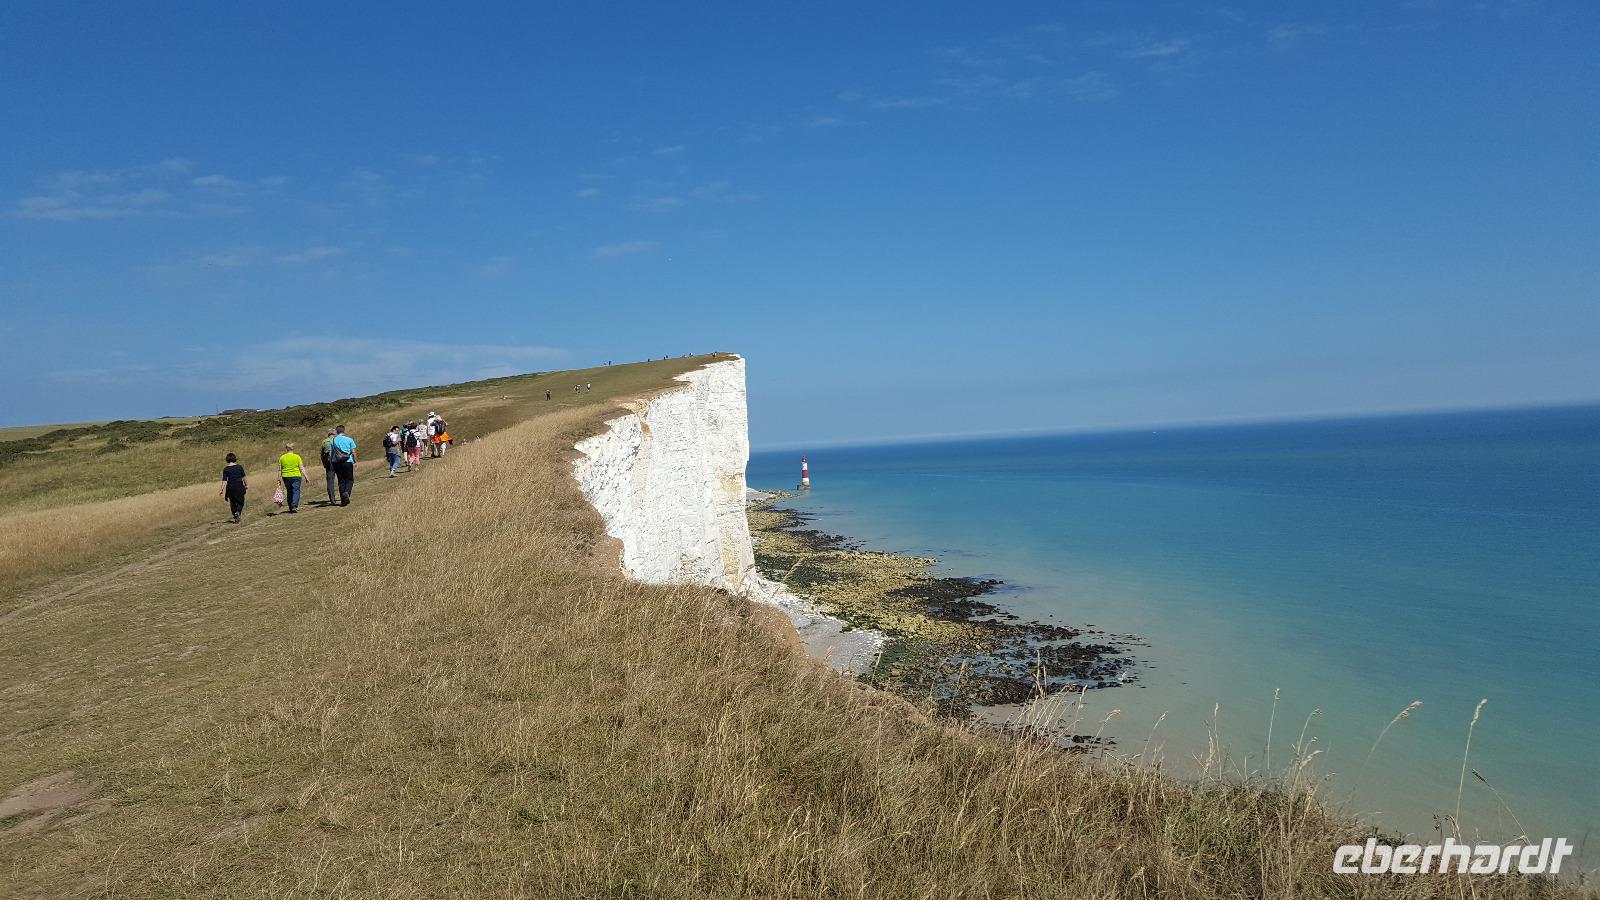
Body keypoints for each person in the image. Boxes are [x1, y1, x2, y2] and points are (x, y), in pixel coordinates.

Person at [329, 425, 357, 506]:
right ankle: (347, 492)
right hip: (348, 461)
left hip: (336, 462)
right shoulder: (349, 439)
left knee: (341, 480)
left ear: (336, 431)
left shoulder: (333, 441)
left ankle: (343, 500)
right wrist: (355, 462)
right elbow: (353, 452)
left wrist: (331, 463)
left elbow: (331, 454)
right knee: (349, 479)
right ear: (344, 431)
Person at [278, 442, 306, 513]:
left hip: (286, 476)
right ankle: (294, 505)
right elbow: (301, 468)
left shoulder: (282, 457)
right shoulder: (297, 457)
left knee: (289, 491)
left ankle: (290, 506)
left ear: (286, 449)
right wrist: (306, 476)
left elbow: (280, 470)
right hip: (296, 476)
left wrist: (279, 478)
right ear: (293, 448)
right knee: (296, 490)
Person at [220, 452, 247, 523]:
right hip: (239, 486)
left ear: (227, 460)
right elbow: (243, 477)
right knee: (241, 501)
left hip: (230, 487)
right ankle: (238, 511)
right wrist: (246, 485)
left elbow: (224, 480)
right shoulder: (239, 467)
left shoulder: (226, 469)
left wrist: (221, 489)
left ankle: (235, 516)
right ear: (234, 458)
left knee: (232, 502)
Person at [319, 428, 338, 505]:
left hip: (328, 461)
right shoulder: (337, 440)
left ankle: (332, 499)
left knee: (330, 480)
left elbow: (321, 454)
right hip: (337, 460)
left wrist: (324, 463)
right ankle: (343, 495)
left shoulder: (324, 441)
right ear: (334, 433)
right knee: (341, 479)